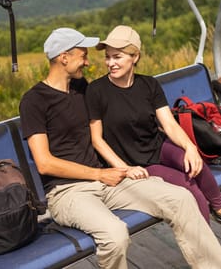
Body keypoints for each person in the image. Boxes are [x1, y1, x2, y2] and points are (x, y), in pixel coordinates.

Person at [19, 27, 221, 269]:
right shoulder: (34, 101)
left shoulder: (84, 89)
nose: (87, 61)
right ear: (64, 57)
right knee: (115, 234)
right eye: (82, 55)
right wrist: (101, 173)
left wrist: (117, 170)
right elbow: (44, 162)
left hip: (108, 181)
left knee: (181, 198)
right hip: (68, 191)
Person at [85, 25, 221, 225]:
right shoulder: (96, 91)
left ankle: (218, 208)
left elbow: (169, 124)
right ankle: (208, 249)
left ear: (135, 57)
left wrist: (190, 147)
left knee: (194, 163)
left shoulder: (149, 85)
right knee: (190, 189)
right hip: (136, 162)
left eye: (117, 57)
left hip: (158, 147)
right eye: (108, 57)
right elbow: (96, 139)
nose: (110, 63)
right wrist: (125, 169)